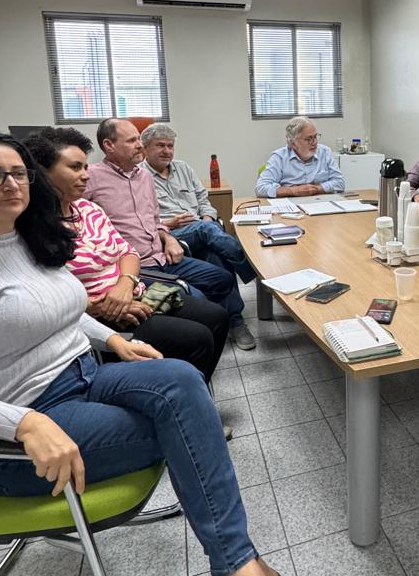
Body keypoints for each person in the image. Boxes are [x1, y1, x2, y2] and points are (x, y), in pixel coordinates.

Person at [0, 133, 299, 576]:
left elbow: (65, 312)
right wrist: (26, 424)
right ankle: (239, 566)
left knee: (182, 378)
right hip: (27, 432)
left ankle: (235, 567)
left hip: (85, 376)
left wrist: (112, 341)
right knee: (191, 428)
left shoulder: (28, 244)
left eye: (19, 173)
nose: (11, 184)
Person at [22, 127, 230, 383]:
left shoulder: (89, 209)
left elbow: (127, 252)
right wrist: (105, 304)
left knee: (217, 317)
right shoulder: (34, 228)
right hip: (99, 312)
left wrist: (125, 284)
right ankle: (181, 389)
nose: (85, 175)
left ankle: (194, 388)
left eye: (85, 167)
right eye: (75, 168)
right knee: (197, 337)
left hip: (133, 288)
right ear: (43, 173)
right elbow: (47, 294)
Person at [87, 119, 256, 350]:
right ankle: (250, 278)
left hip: (166, 248)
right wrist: (171, 229)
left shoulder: (144, 177)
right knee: (207, 241)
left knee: (217, 260)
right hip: (140, 260)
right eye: (134, 140)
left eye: (170, 146)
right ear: (109, 145)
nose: (139, 145)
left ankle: (230, 321)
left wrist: (168, 237)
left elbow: (155, 219)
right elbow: (74, 219)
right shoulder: (92, 177)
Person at [140, 124, 257, 338]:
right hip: (171, 235)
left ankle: (232, 320)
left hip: (201, 227)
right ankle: (253, 270)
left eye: (170, 146)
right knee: (207, 231)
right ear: (145, 148)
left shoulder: (183, 168)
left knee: (214, 252)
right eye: (160, 145)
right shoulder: (139, 177)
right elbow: (143, 219)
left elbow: (204, 199)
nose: (167, 151)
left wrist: (207, 218)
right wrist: (169, 223)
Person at [255, 116, 345, 198]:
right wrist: (293, 191)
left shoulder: (325, 152)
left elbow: (340, 183)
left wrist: (317, 188)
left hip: (321, 202)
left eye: (315, 137)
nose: (314, 143)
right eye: (308, 139)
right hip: (291, 205)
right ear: (293, 143)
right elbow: (260, 188)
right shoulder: (279, 157)